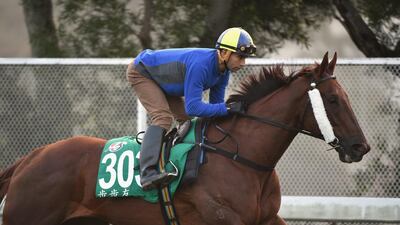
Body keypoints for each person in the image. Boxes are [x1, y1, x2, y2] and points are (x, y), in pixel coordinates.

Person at [126, 27, 256, 190]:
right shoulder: (201, 65)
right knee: (163, 118)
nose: (243, 63)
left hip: (164, 81)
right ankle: (147, 174)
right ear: (224, 53)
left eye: (245, 58)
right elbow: (194, 107)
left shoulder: (224, 72)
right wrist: (228, 108)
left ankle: (175, 163)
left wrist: (233, 113)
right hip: (142, 72)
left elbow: (216, 108)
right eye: (240, 57)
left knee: (188, 122)